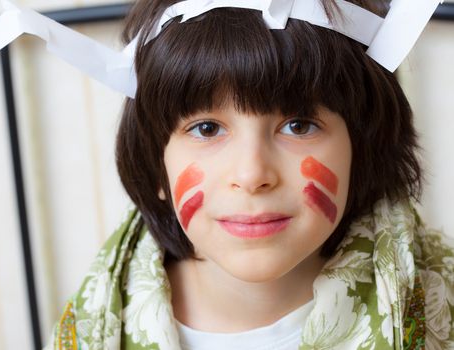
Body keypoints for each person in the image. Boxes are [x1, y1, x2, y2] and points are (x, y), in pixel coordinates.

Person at [45, 0, 454, 349]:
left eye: (299, 125)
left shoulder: (439, 299)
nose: (252, 173)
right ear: (155, 162)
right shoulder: (93, 324)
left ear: (362, 148)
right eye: (207, 128)